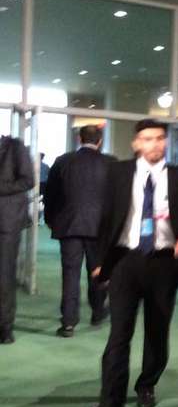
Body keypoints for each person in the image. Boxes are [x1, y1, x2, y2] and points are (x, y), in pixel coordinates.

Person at [89, 119, 178, 407]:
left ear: (165, 142)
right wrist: (99, 260)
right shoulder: (117, 174)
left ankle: (147, 384)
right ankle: (110, 405)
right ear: (136, 144)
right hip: (125, 261)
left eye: (159, 138)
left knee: (157, 331)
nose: (154, 144)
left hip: (164, 263)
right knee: (119, 335)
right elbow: (104, 218)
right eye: (147, 139)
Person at [44, 125, 115, 337]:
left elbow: (50, 194)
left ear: (79, 139)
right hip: (100, 228)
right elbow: (117, 197)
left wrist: (50, 219)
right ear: (99, 141)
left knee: (70, 274)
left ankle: (68, 323)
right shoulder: (111, 163)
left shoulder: (62, 161)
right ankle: (98, 312)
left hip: (69, 225)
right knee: (98, 271)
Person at [0, 134, 34, 345]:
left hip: (7, 222)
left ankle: (5, 326)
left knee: (4, 275)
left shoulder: (15, 147)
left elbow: (28, 180)